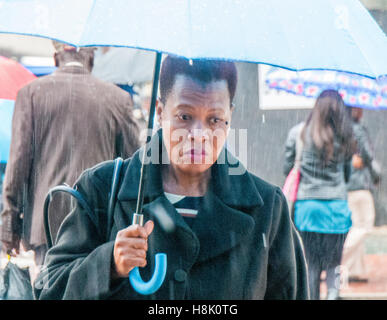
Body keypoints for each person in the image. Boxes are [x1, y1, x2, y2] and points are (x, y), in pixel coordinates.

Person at [34, 55, 309, 300]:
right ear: (160, 111)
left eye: (214, 120)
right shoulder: (103, 189)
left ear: (230, 117)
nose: (199, 134)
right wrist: (108, 264)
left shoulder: (267, 208)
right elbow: (50, 288)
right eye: (185, 116)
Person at [0, 41, 140, 272]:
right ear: (91, 60)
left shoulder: (31, 94)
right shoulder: (117, 99)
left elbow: (17, 165)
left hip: (45, 224)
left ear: (56, 59)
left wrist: (9, 228)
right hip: (98, 225)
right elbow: (134, 168)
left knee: (49, 290)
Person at [284, 90, 356, 300]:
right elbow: (347, 175)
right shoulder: (346, 137)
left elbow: (287, 166)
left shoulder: (299, 133)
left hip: (308, 209)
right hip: (336, 209)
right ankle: (333, 296)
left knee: (312, 264)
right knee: (334, 264)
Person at [341, 107, 381, 282]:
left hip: (346, 184)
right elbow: (368, 154)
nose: (362, 110)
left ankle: (353, 271)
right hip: (359, 185)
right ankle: (337, 256)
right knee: (364, 225)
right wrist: (374, 173)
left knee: (355, 225)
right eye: (358, 107)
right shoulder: (357, 128)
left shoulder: (338, 128)